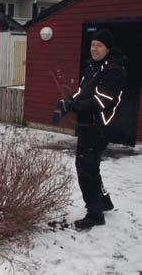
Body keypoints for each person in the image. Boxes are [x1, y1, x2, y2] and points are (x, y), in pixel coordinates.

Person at [53, 29, 126, 230]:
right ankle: (103, 202)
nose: (94, 48)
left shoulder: (113, 70)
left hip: (100, 126)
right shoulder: (92, 67)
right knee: (90, 167)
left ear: (108, 48)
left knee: (85, 169)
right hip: (87, 125)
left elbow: (101, 101)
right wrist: (66, 103)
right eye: (93, 44)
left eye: (99, 45)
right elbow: (82, 92)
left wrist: (73, 106)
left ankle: (95, 214)